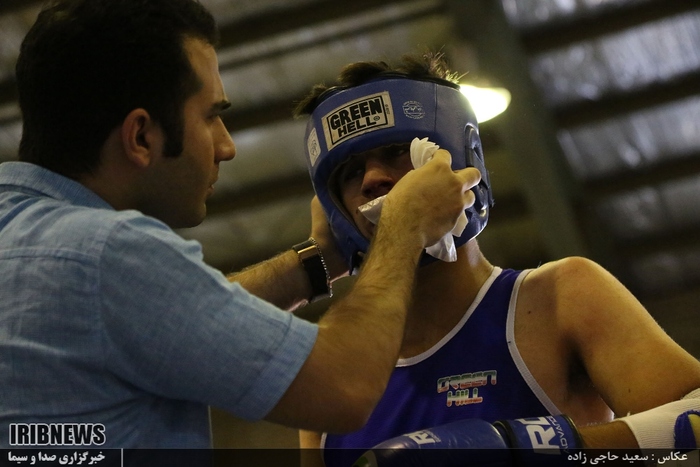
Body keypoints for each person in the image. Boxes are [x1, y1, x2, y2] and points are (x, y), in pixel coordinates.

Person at [0, 0, 481, 449]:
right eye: (211, 117)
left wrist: (322, 258)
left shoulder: (25, 236)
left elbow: (172, 318)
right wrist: (403, 230)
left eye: (396, 153)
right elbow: (345, 386)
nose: (227, 146)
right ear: (141, 136)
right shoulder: (109, 255)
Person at [294, 53, 700, 466]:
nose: (371, 179)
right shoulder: (329, 378)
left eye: (399, 150)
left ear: (461, 161)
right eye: (348, 171)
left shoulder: (559, 298)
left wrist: (519, 447)